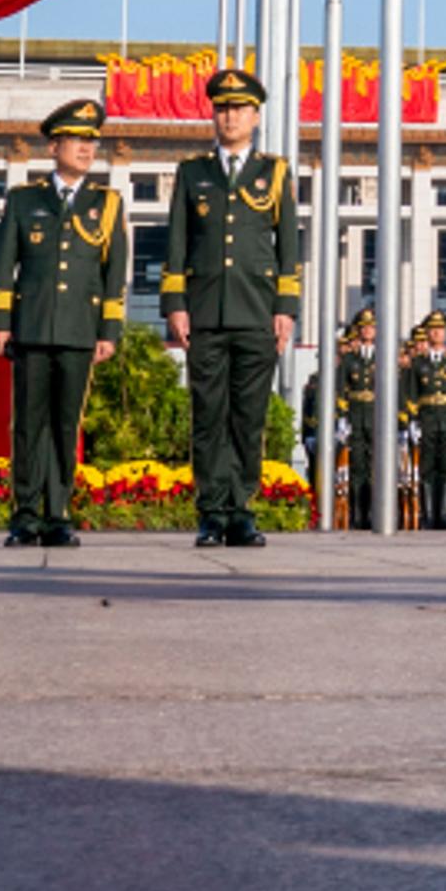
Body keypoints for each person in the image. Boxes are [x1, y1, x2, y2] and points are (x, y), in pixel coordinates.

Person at [163, 64, 301, 548]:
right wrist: (175, 305)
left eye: (239, 109)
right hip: (204, 313)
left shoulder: (275, 172)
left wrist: (286, 306)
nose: (230, 117)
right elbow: (177, 244)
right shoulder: (193, 172)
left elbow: (289, 247)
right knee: (208, 414)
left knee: (248, 415)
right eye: (222, 108)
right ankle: (210, 511)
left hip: (257, 311)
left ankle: (240, 509)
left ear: (256, 116)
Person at [0, 103, 126, 548]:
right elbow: (4, 264)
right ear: (54, 146)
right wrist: (0, 323)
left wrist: (110, 330)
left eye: (91, 141)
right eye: (77, 140)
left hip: (80, 331)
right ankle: (25, 515)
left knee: (66, 424)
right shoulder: (25, 200)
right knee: (28, 424)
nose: (87, 148)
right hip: (32, 328)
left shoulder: (106, 203)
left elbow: (114, 271)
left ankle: (58, 512)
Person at [404, 314, 446, 531]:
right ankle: (428, 515)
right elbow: (411, 393)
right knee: (427, 468)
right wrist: (413, 421)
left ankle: (444, 514)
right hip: (427, 417)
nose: (437, 333)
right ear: (427, 333)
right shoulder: (418, 363)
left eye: (440, 329)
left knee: (445, 466)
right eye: (433, 329)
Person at [335, 312, 382, 533]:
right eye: (363, 327)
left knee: (375, 467)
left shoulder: (382, 359)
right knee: (357, 466)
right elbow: (341, 389)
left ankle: (374, 512)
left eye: (371, 327)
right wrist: (342, 417)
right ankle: (357, 514)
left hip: (375, 414)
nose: (367, 331)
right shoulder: (349, 359)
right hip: (355, 413)